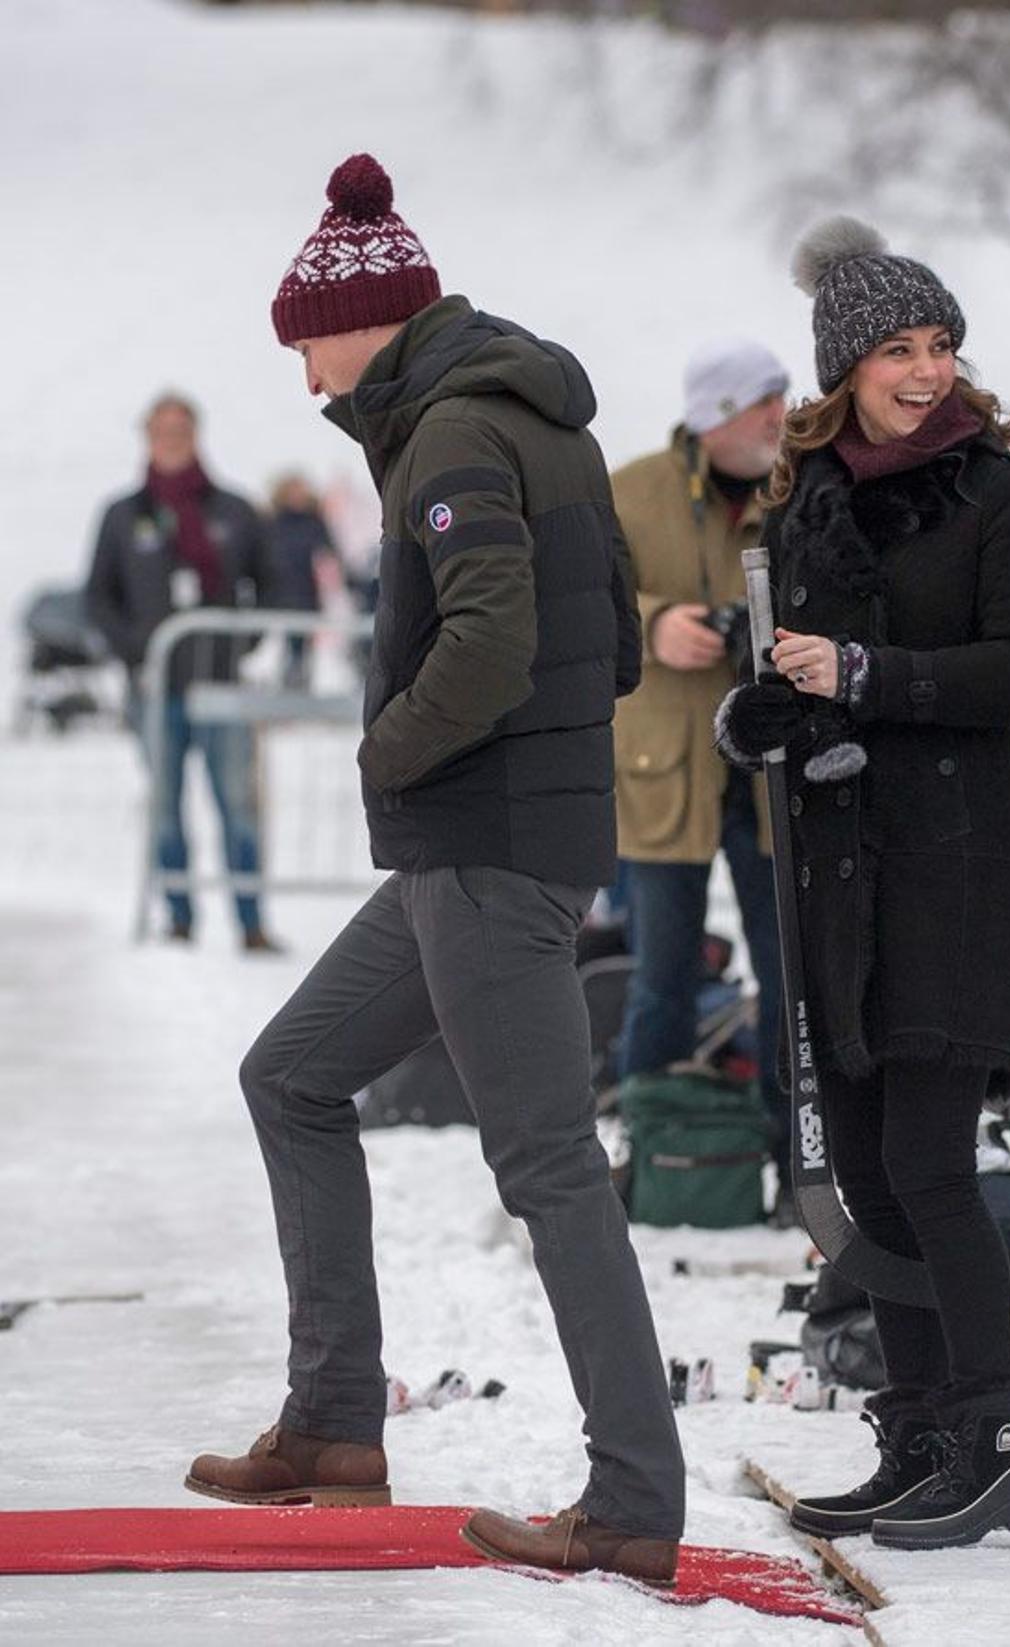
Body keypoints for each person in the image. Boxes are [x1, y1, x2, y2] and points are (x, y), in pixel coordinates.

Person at [185, 154, 685, 1585]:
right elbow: (623, 637)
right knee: (292, 1071)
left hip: (485, 844)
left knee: (546, 1166)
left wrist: (385, 753)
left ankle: (636, 1495)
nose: (305, 381)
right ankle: (336, 1424)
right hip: (482, 842)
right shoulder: (524, 417)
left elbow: (493, 642)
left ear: (373, 319)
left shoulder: (457, 433)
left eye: (309, 345)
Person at [715, 216, 1010, 1550]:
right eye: (898, 348)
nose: (926, 369)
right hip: (844, 869)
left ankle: (995, 1435)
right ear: (844, 366)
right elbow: (801, 665)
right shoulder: (811, 498)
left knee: (928, 1157)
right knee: (864, 1165)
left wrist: (870, 679)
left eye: (941, 343)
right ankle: (920, 1425)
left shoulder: (1001, 490)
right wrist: (770, 714)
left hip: (956, 864)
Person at [612, 339, 792, 1210]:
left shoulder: (800, 486)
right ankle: (647, 1159)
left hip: (769, 781)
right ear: (717, 415)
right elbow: (579, 601)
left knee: (790, 976)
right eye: (764, 403)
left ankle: (804, 1173)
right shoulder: (632, 489)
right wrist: (656, 625)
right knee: (662, 977)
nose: (780, 417)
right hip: (664, 776)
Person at [84, 393, 280, 952]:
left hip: (222, 687)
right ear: (147, 436)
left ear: (196, 433)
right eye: (161, 429)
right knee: (165, 810)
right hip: (155, 691)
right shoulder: (123, 516)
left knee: (239, 806)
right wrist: (135, 650)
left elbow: (271, 582)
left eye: (181, 428)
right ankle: (178, 917)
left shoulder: (235, 510)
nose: (172, 438)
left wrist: (245, 640)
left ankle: (251, 922)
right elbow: (97, 597)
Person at [267, 472, 339, 689]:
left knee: (303, 645)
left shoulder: (315, 522)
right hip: (279, 592)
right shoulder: (273, 522)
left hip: (307, 592)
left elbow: (331, 552)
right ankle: (284, 686)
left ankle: (300, 686)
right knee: (285, 643)